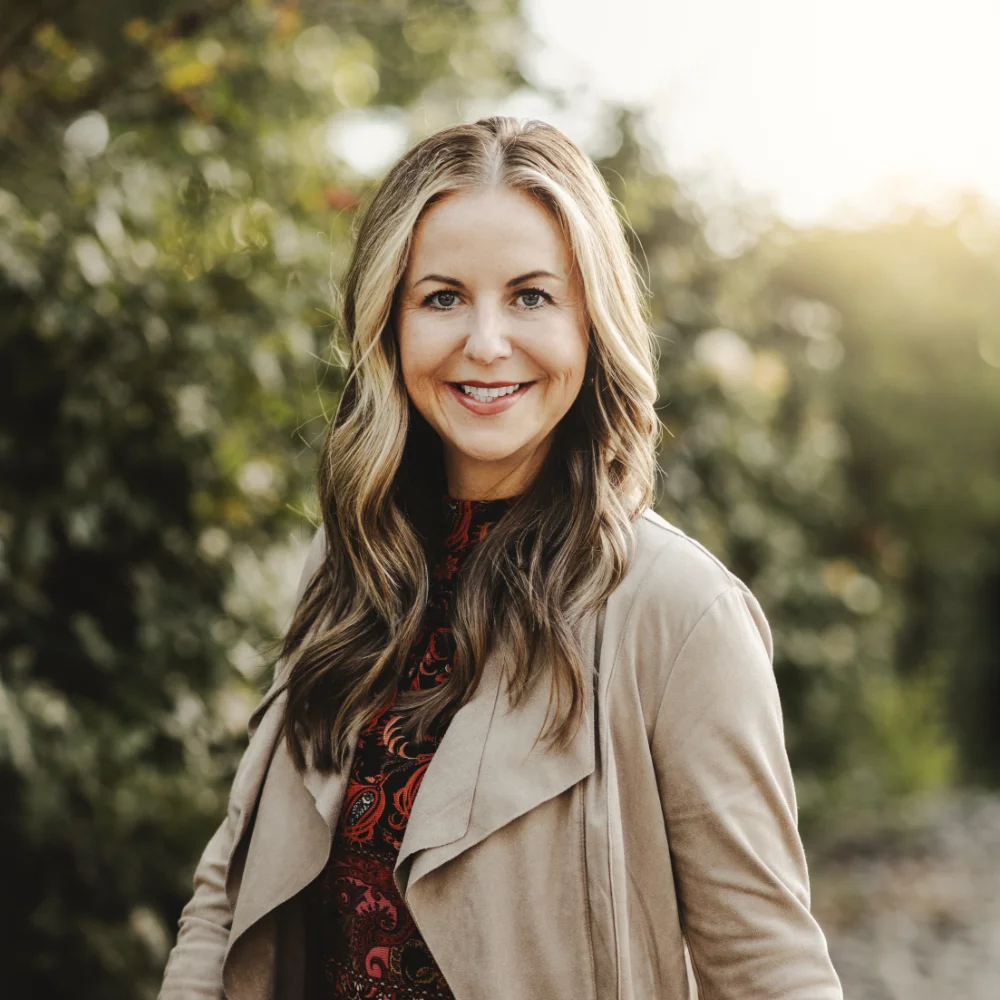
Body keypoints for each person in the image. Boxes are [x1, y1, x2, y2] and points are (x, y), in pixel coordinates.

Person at [158, 116, 843, 1000]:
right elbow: (227, 894)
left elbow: (769, 969)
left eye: (531, 296)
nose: (485, 342)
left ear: (592, 321)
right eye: (442, 297)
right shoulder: (350, 561)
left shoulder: (677, 611)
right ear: (389, 323)